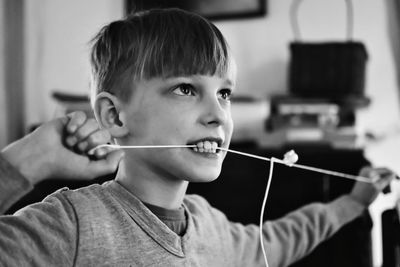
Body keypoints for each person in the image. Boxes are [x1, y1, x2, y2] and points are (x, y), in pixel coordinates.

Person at [0, 8, 395, 267]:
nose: (217, 115)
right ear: (114, 115)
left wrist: (353, 202)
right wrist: (29, 159)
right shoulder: (73, 225)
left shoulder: (212, 228)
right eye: (186, 89)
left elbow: (283, 238)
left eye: (224, 93)